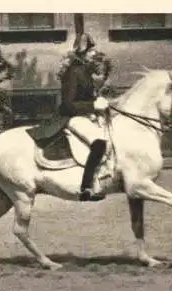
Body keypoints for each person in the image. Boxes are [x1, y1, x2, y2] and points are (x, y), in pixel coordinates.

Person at [57, 33, 113, 201]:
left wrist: (98, 101)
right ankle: (86, 187)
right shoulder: (73, 72)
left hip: (85, 115)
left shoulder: (84, 72)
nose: (93, 54)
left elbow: (86, 96)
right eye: (90, 52)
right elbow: (68, 104)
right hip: (71, 118)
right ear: (82, 53)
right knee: (99, 143)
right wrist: (92, 106)